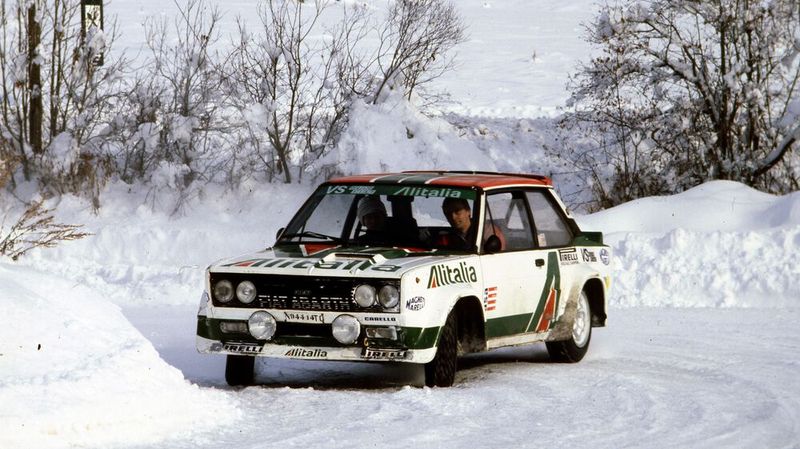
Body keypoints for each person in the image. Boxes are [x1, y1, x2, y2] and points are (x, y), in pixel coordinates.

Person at [438, 197, 506, 251]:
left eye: (457, 212)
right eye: (448, 214)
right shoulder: (446, 237)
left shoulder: (486, 231)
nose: (453, 217)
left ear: (468, 211)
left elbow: (499, 254)